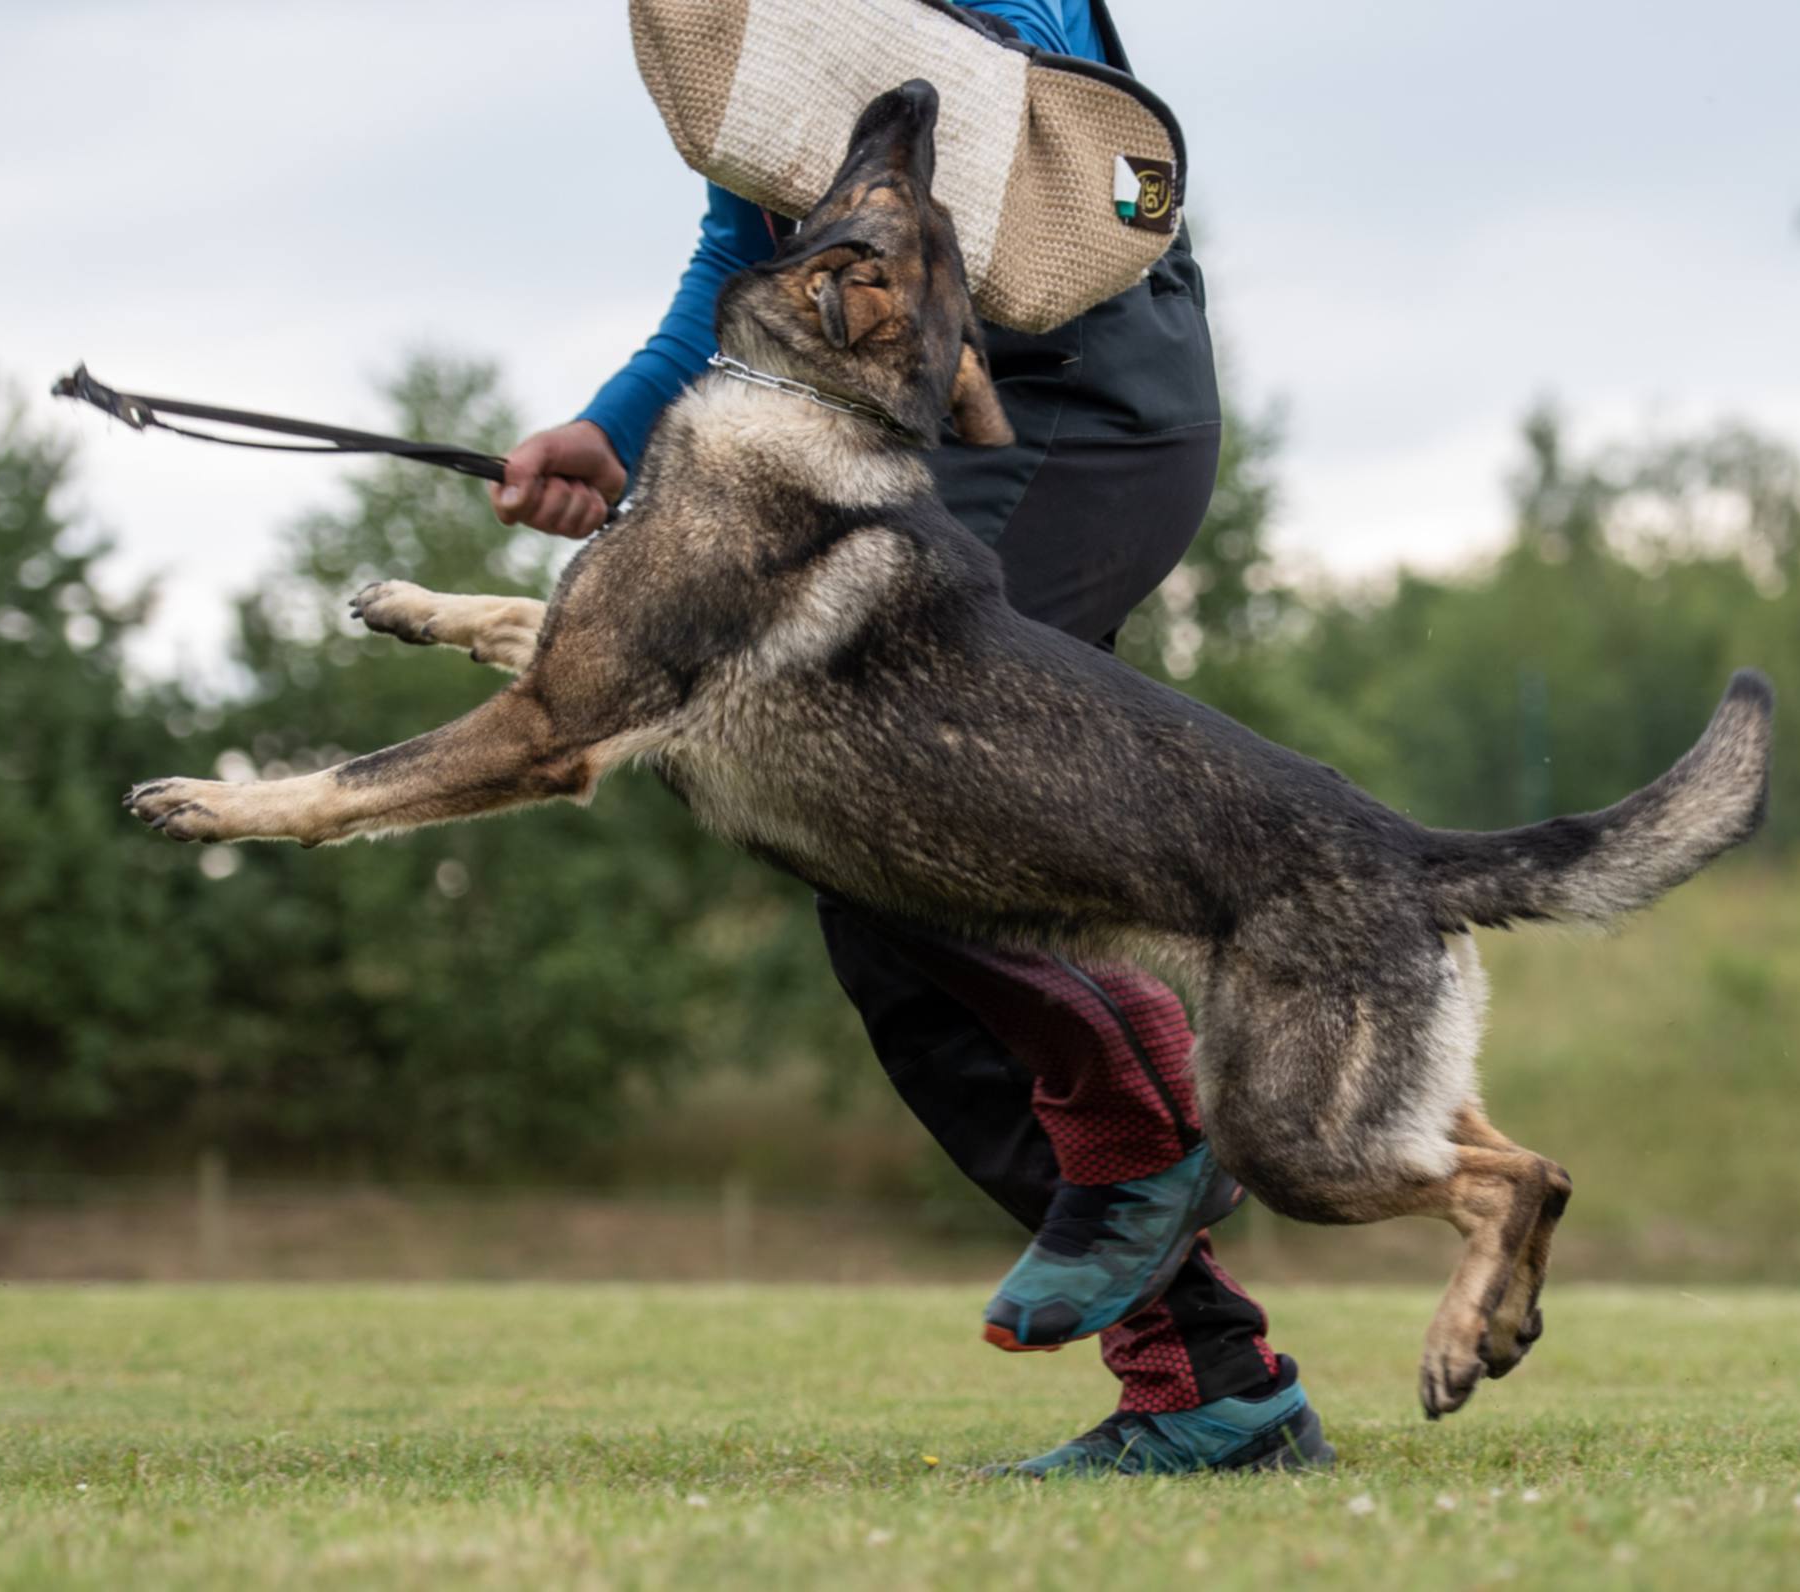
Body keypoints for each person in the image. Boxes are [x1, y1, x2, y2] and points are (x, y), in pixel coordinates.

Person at [493, 0, 1330, 1475]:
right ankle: (1209, 1376)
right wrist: (617, 428)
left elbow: (1014, 91)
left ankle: (1162, 1168)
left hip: (1081, 406)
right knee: (897, 907)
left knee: (890, 850)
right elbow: (746, 255)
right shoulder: (747, 38)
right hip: (946, 432)